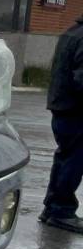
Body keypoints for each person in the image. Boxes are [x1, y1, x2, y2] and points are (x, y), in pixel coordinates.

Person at [41, 14, 83, 234]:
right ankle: (62, 211)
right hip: (76, 110)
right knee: (74, 160)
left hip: (63, 106)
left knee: (65, 157)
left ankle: (52, 207)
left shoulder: (71, 32)